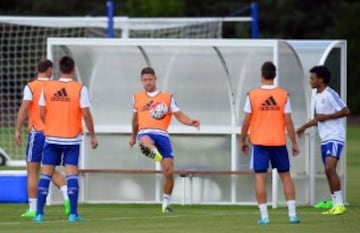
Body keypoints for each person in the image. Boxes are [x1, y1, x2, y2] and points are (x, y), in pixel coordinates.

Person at [33, 56, 98, 222]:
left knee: (46, 173)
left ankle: (39, 214)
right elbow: (86, 115)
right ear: (73, 68)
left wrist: (50, 124)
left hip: (52, 137)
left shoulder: (47, 87)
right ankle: (73, 215)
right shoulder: (79, 89)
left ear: (59, 69)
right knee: (71, 174)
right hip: (71, 139)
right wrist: (92, 134)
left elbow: (41, 111)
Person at [129, 67, 200, 213]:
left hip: (162, 134)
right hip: (145, 132)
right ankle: (152, 152)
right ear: (141, 81)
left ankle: (165, 204)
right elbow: (135, 121)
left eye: (150, 79)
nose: (147, 82)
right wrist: (132, 136)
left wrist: (191, 122)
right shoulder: (137, 97)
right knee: (146, 140)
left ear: (155, 79)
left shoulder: (167, 97)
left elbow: (179, 115)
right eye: (145, 80)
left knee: (169, 171)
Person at [240, 61, 300, 225]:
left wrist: (242, 140)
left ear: (262, 75)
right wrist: (294, 143)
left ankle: (265, 217)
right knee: (286, 176)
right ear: (274, 75)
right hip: (278, 142)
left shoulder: (252, 95)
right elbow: (289, 122)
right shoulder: (283, 95)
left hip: (259, 142)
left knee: (260, 177)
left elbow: (246, 122)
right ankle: (292, 215)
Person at [14, 59, 70, 217]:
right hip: (54, 133)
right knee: (50, 169)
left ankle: (32, 209)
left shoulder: (31, 87)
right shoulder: (56, 87)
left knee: (32, 171)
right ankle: (67, 196)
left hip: (37, 132)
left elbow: (24, 109)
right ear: (49, 70)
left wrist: (17, 130)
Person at [296, 65, 350, 215]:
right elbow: (318, 119)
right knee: (327, 171)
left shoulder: (330, 94)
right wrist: (303, 127)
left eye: (313, 78)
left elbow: (346, 111)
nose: (310, 81)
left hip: (335, 136)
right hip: (325, 138)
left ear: (321, 80)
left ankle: (340, 205)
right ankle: (334, 203)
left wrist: (327, 117)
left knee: (330, 168)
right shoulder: (316, 95)